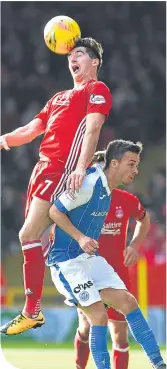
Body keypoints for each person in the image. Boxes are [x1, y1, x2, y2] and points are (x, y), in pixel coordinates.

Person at [0, 37, 112, 335]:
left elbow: (93, 129)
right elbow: (31, 130)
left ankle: (32, 310)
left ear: (95, 62)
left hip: (62, 169)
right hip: (42, 169)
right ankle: (70, 291)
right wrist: (4, 139)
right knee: (35, 239)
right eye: (69, 56)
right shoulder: (59, 97)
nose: (71, 60)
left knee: (28, 234)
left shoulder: (96, 90)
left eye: (79, 54)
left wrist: (78, 167)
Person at [45, 139, 164, 369]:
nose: (136, 170)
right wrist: (80, 237)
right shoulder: (89, 183)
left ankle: (159, 364)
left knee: (129, 302)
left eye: (137, 164)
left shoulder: (110, 190)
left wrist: (133, 244)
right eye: (131, 164)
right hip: (67, 261)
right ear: (115, 163)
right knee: (97, 317)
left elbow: (143, 220)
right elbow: (54, 211)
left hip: (89, 259)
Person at [74, 150, 150, 369]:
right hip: (87, 274)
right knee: (87, 327)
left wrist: (134, 244)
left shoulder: (126, 200)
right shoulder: (80, 200)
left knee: (120, 335)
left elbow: (144, 221)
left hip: (117, 275)